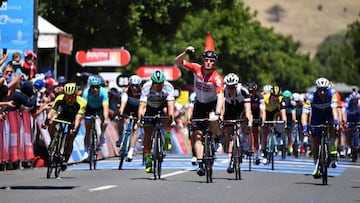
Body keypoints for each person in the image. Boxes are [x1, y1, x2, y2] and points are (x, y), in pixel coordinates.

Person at [175, 46, 224, 176]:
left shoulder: (217, 78)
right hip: (199, 104)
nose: (208, 62)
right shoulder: (196, 68)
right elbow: (178, 62)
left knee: (214, 119)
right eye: (206, 60)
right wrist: (185, 53)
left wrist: (218, 111)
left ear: (215, 63)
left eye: (211, 61)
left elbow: (220, 96)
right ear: (203, 61)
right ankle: (201, 162)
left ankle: (217, 138)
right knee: (197, 135)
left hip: (212, 105)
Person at [137, 70, 176, 173]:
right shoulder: (146, 87)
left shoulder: (169, 87)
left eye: (160, 84)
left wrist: (171, 120)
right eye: (156, 84)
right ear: (152, 83)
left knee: (167, 113)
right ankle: (148, 159)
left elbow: (171, 105)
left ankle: (167, 136)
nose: (159, 86)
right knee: (147, 132)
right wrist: (140, 119)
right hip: (150, 107)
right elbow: (142, 106)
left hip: (162, 105)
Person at [42, 83, 86, 171]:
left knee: (69, 138)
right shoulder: (59, 98)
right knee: (52, 122)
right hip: (62, 115)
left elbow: (78, 118)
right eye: (67, 96)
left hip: (74, 118)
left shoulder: (81, 102)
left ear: (75, 95)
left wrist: (75, 128)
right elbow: (52, 112)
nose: (69, 98)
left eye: (71, 96)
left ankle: (65, 159)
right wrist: (47, 121)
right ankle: (54, 140)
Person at [301, 77, 339, 178]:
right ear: (316, 89)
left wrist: (336, 121)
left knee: (333, 128)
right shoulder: (311, 96)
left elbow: (334, 109)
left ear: (328, 89)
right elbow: (305, 114)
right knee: (315, 141)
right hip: (317, 116)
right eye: (320, 90)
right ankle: (316, 165)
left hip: (328, 113)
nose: (322, 92)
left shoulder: (332, 93)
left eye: (324, 90)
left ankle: (332, 147)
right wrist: (305, 128)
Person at [222, 73, 252, 173]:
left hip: (241, 110)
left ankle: (243, 143)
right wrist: (221, 119)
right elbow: (221, 107)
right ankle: (230, 161)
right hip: (229, 110)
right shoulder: (223, 91)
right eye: (229, 87)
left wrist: (248, 121)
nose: (231, 89)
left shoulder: (243, 91)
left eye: (233, 87)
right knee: (230, 136)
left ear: (237, 85)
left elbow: (248, 109)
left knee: (246, 126)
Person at [82, 76, 110, 159]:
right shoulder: (86, 92)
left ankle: (101, 136)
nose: (95, 89)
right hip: (89, 108)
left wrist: (105, 119)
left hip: (100, 107)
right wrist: (81, 115)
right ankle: (86, 151)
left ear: (99, 87)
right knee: (87, 131)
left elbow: (105, 107)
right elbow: (83, 106)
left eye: (97, 87)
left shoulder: (104, 92)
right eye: (93, 87)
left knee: (104, 121)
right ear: (90, 87)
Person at [117, 75, 142, 161]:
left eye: (136, 86)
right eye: (132, 86)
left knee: (135, 128)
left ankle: (131, 151)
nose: (134, 88)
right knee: (120, 119)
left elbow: (142, 107)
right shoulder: (127, 91)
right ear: (130, 85)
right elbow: (123, 103)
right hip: (128, 106)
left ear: (139, 86)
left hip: (138, 108)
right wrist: (120, 112)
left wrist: (139, 119)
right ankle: (120, 138)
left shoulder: (142, 93)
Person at [260, 85, 286, 164]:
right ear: (271, 95)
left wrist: (284, 123)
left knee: (279, 122)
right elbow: (263, 112)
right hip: (266, 112)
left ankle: (278, 135)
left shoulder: (281, 99)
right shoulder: (265, 98)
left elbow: (283, 112)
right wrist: (263, 122)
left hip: (275, 112)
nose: (275, 98)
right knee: (264, 133)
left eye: (277, 96)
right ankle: (264, 152)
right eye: (274, 96)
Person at [245, 82, 265, 164]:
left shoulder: (259, 96)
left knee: (256, 135)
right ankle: (244, 147)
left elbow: (263, 110)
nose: (250, 93)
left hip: (256, 115)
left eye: (252, 91)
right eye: (249, 91)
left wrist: (262, 121)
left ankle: (257, 154)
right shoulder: (244, 95)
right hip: (246, 114)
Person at [344, 89, 360, 160]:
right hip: (350, 117)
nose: (355, 102)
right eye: (353, 100)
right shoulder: (348, 102)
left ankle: (357, 145)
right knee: (349, 133)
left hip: (357, 116)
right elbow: (344, 112)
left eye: (356, 100)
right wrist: (345, 121)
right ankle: (350, 146)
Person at [281, 90, 297, 156]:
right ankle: (282, 142)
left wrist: (294, 120)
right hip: (284, 117)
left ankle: (290, 145)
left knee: (291, 134)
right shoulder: (282, 103)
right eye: (285, 98)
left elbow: (293, 114)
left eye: (288, 98)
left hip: (290, 118)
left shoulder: (292, 104)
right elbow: (282, 113)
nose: (286, 100)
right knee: (283, 131)